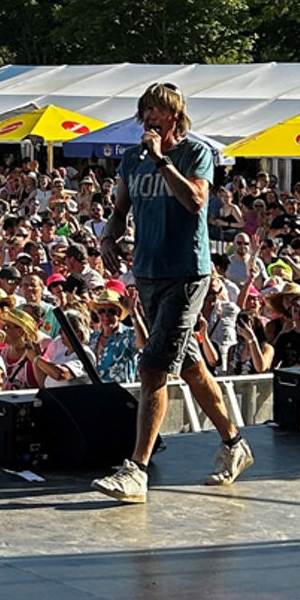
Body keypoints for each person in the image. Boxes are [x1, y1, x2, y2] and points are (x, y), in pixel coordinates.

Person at [94, 82, 252, 504]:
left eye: (157, 111)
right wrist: (109, 238)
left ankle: (137, 470)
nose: (149, 117)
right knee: (190, 367)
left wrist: (162, 161)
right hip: (148, 273)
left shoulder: (194, 153)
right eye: (144, 110)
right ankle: (235, 444)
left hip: (187, 273)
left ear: (174, 118)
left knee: (153, 367)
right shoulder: (131, 160)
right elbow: (119, 212)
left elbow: (195, 200)